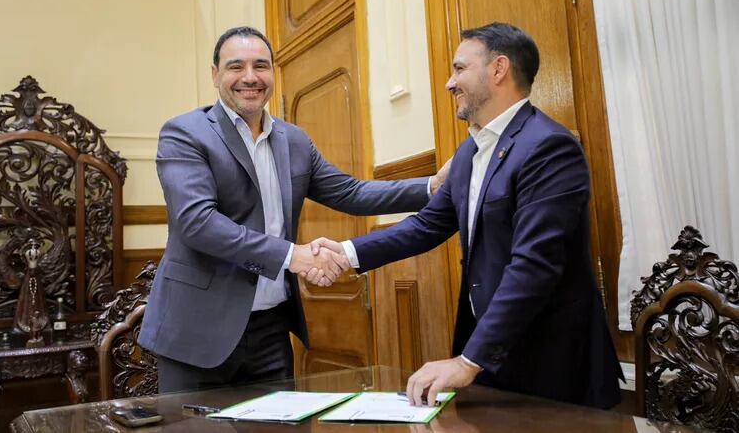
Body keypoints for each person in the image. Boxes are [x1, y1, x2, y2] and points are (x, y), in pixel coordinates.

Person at [310, 22, 623, 409]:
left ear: (498, 69)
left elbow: (534, 265)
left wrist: (467, 360)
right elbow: (427, 225)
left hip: (552, 361)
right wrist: (345, 253)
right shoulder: (469, 151)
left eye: (459, 69)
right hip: (492, 356)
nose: (449, 83)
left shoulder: (548, 147)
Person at [138, 26, 450, 393]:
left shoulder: (295, 141)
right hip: (196, 330)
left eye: (261, 65)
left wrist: (430, 187)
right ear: (215, 75)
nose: (250, 77)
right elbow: (198, 223)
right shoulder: (185, 133)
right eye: (236, 66)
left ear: (273, 73)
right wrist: (294, 256)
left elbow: (351, 193)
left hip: (271, 331)